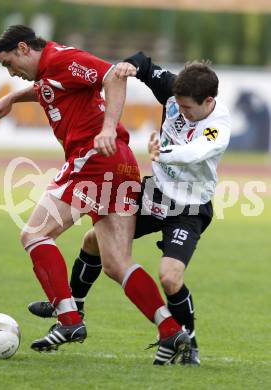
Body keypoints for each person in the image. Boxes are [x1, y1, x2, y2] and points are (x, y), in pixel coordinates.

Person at [0, 25, 190, 365]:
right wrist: (10, 98)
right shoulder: (51, 72)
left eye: (10, 63)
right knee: (117, 263)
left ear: (24, 48)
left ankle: (69, 320)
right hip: (120, 164)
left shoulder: (63, 59)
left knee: (34, 234)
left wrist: (108, 126)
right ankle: (170, 329)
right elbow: (49, 90)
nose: (11, 72)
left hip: (94, 160)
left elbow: (112, 76)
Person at [30, 52, 231, 365]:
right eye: (178, 105)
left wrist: (163, 152)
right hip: (154, 193)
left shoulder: (218, 127)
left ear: (208, 101)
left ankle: (187, 342)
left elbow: (195, 152)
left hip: (188, 208)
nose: (182, 112)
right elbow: (146, 65)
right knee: (93, 240)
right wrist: (129, 66)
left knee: (170, 277)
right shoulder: (174, 90)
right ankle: (72, 306)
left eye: (189, 109)